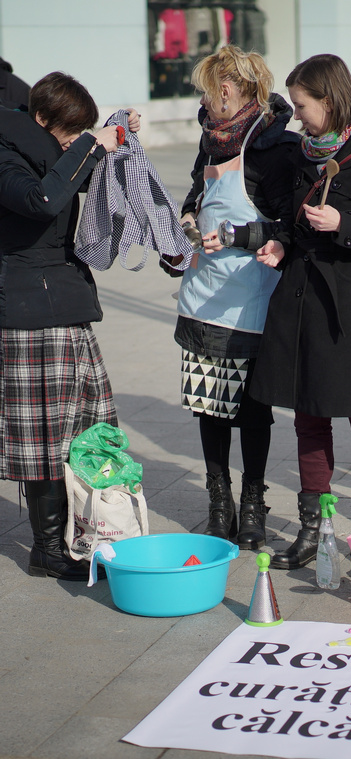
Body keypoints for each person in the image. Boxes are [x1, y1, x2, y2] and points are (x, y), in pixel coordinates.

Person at [247, 54, 351, 569]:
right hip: (299, 301)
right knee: (308, 419)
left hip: (350, 307)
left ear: (331, 100)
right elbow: (294, 223)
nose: (296, 118)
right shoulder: (303, 154)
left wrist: (343, 223)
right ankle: (313, 528)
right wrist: (280, 245)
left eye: (302, 106)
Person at [0, 72, 140, 580]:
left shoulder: (46, 153)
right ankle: (47, 548)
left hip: (65, 308)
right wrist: (90, 145)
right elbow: (40, 200)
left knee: (83, 432)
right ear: (42, 120)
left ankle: (84, 535)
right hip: (28, 313)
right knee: (42, 439)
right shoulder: (6, 153)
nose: (70, 145)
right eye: (67, 134)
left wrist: (113, 135)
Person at [172, 45, 298, 551]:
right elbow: (194, 199)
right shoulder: (211, 143)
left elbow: (291, 225)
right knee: (209, 406)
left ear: (227, 88)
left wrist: (239, 236)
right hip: (203, 299)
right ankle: (218, 499)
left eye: (208, 90)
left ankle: (252, 501)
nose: (205, 100)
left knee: (251, 410)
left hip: (252, 303)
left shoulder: (275, 148)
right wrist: (184, 226)